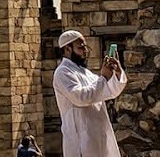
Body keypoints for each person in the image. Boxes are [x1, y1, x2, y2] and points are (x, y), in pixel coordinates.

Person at [53, 29, 126, 157]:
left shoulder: (87, 73)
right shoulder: (63, 73)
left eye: (85, 47)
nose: (85, 51)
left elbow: (110, 92)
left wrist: (117, 73)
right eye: (81, 47)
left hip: (99, 137)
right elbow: (81, 98)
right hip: (81, 141)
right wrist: (103, 78)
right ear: (67, 49)